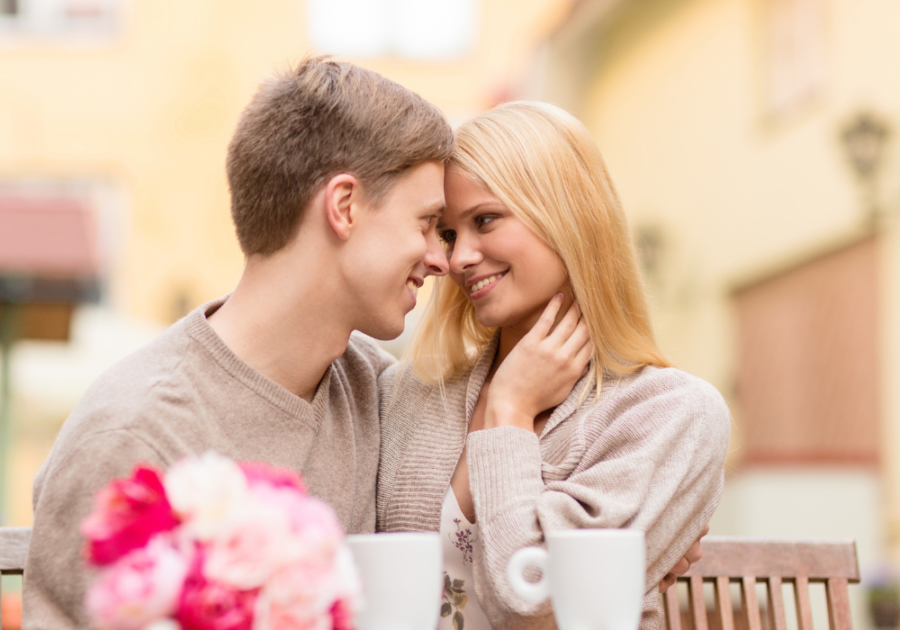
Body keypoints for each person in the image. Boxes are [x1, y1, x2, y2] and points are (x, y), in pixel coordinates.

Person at [23, 57, 454, 630]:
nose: (441, 258)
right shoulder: (135, 434)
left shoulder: (376, 392)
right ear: (344, 206)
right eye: (427, 223)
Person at [376, 102, 731, 630]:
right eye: (449, 233)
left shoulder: (673, 414)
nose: (458, 259)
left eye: (485, 220)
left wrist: (511, 412)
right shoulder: (409, 391)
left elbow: (536, 605)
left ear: (567, 216)